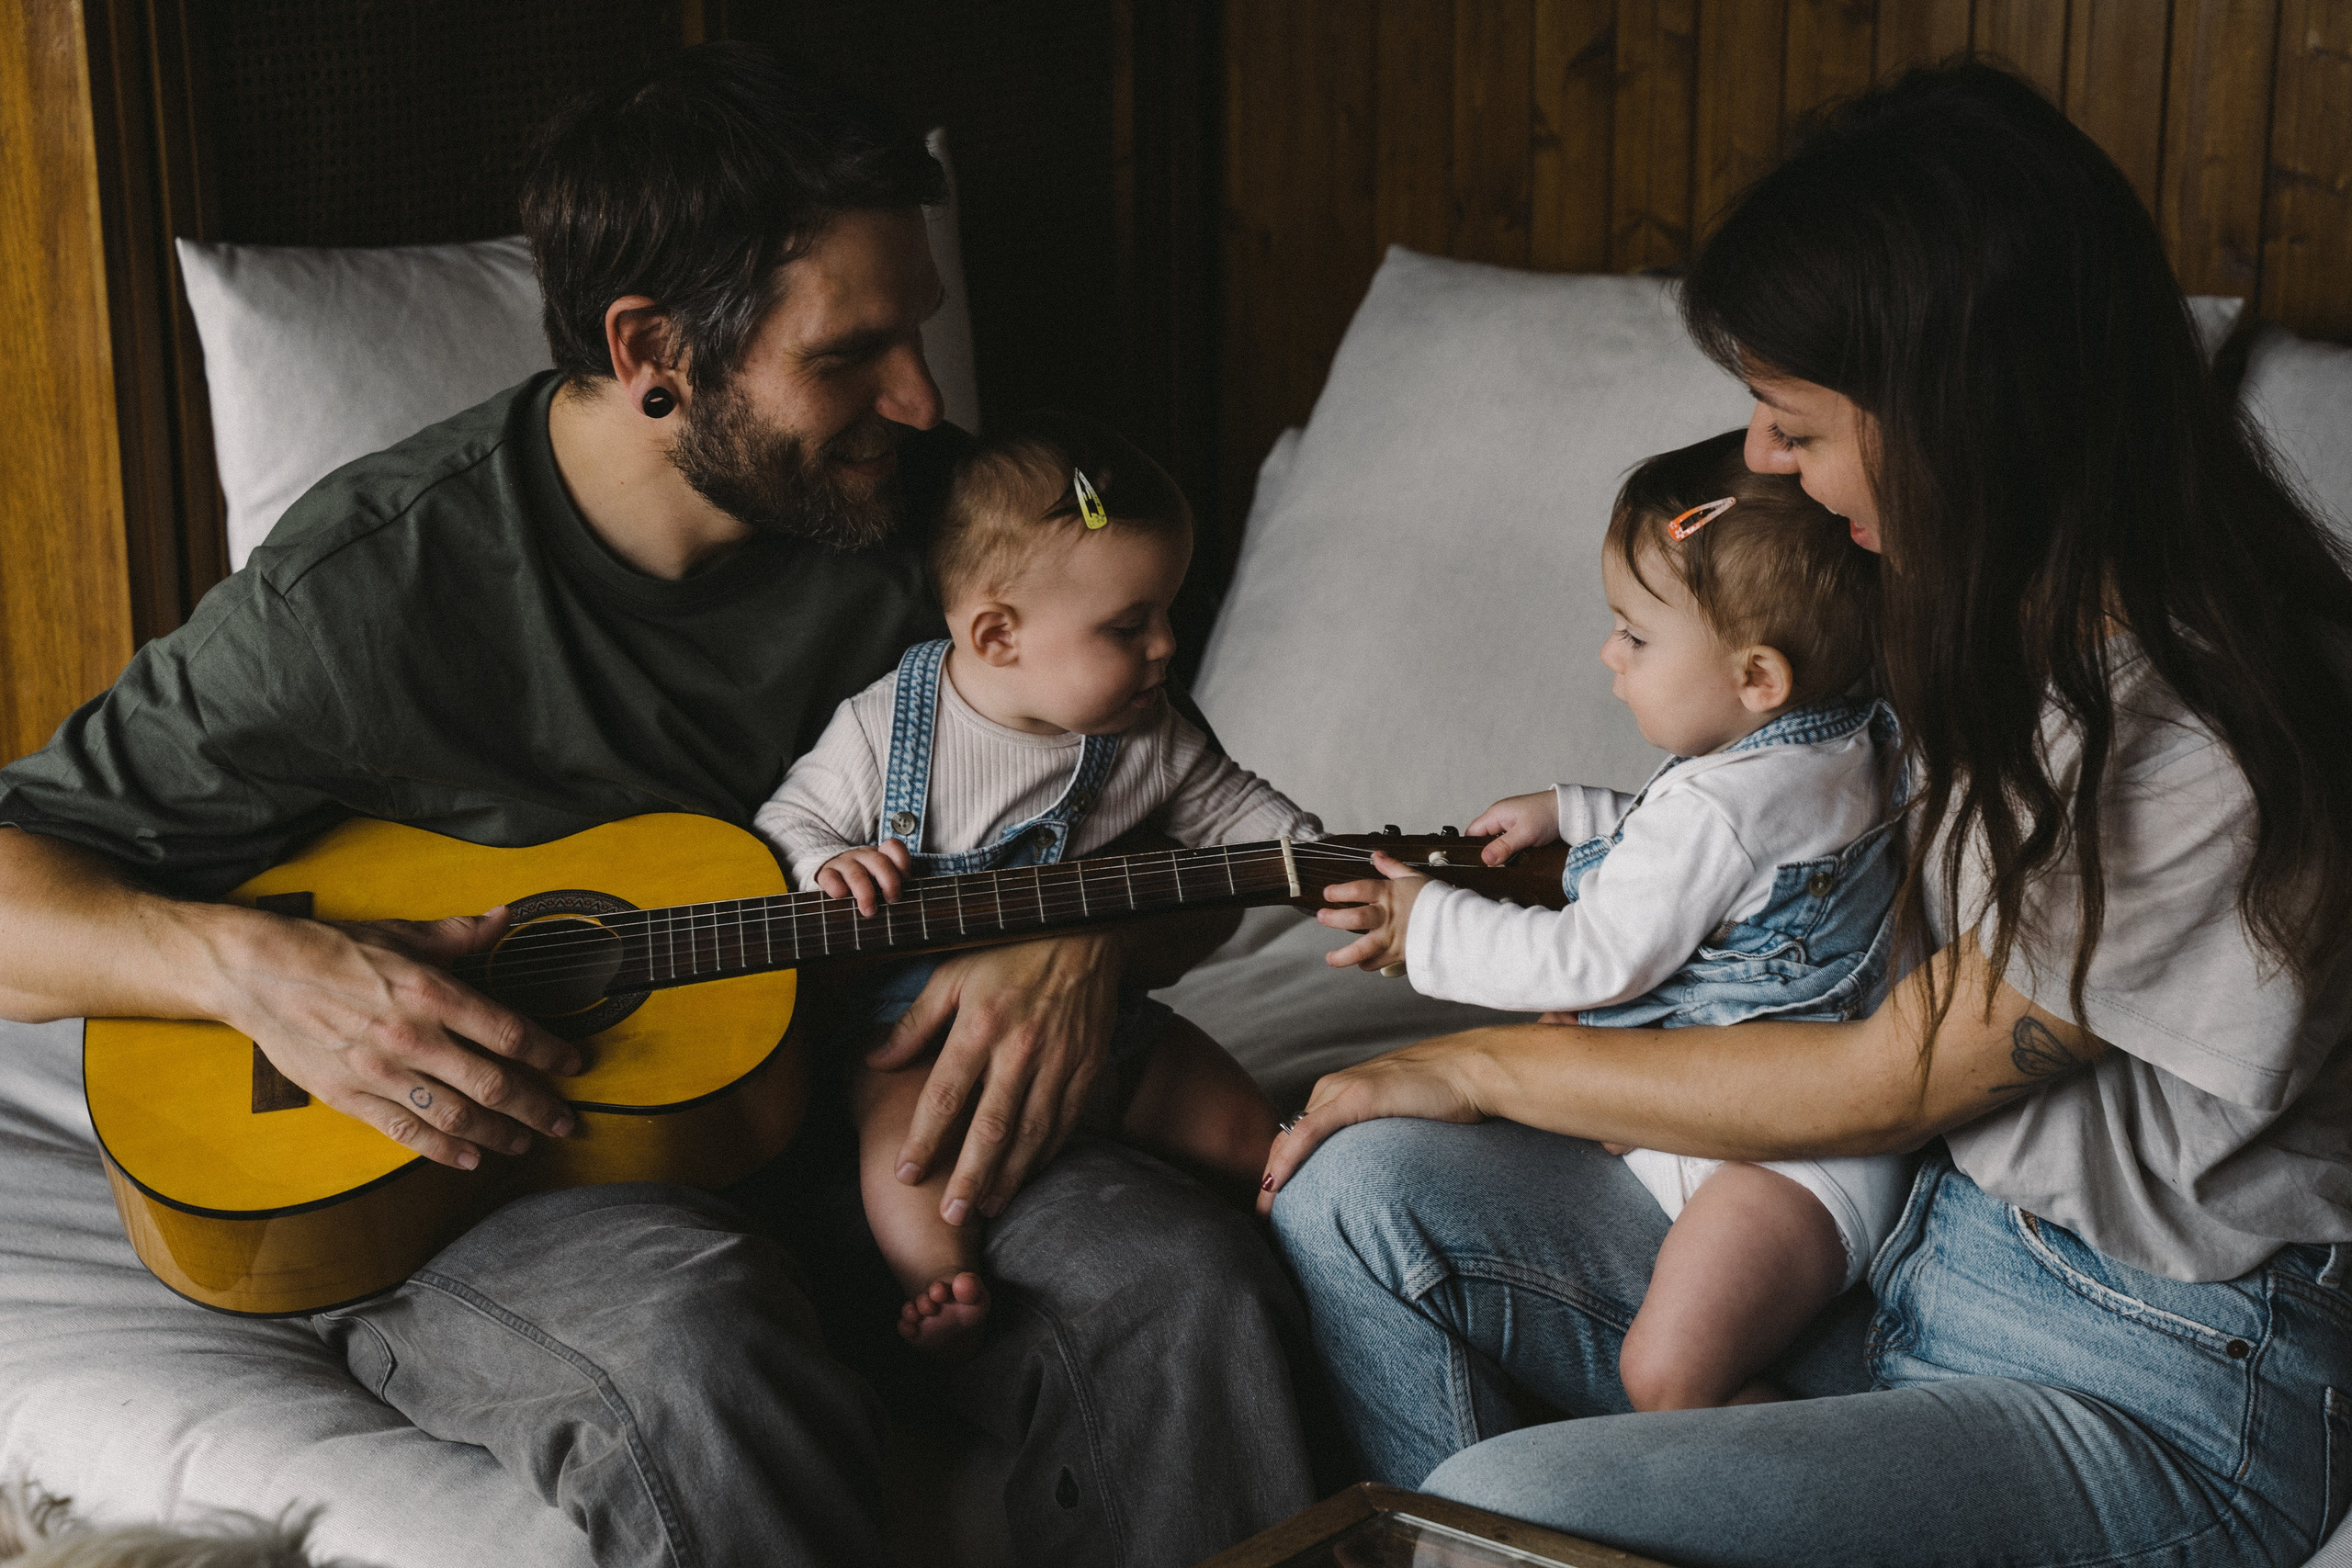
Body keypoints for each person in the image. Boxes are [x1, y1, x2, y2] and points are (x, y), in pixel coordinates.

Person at [0, 44, 1317, 1568]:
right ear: (651, 350)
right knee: (699, 1348)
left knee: (1187, 1281)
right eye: (850, 355)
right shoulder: (369, 593)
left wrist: (1095, 942)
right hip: (506, 1167)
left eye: (921, 333)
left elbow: (1204, 840)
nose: (920, 397)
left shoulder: (953, 530)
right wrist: (262, 968)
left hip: (864, 1106)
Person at [1258, 61, 2352, 1566]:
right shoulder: (1986, 613)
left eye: (1793, 420)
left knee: (1509, 1522)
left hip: (2136, 1378)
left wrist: (1481, 1061)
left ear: (1964, 413)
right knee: (1358, 1195)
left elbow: (1892, 1075)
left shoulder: (2213, 727)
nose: (1765, 461)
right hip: (1914, 1253)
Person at [1312, 429, 1912, 1412]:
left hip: (1791, 1167)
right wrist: (1576, 813)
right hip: (1755, 1117)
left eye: (1635, 634)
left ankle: (1810, 1454)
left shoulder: (1720, 811)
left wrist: (1429, 925)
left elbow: (1592, 960)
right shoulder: (1838, 741)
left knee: (1666, 1376)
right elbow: (1707, 859)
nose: (1609, 652)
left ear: (1757, 678)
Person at [756, 411, 1313, 1355]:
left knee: (1254, 1136)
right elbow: (786, 822)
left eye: (1167, 613)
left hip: (1103, 1018)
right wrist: (827, 863)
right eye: (1128, 626)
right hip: (917, 1035)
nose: (1166, 647)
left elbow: (1238, 813)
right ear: (997, 635)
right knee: (908, 1164)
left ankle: (1303, 1257)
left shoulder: (1146, 733)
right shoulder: (890, 728)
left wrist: (1316, 859)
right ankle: (939, 1283)